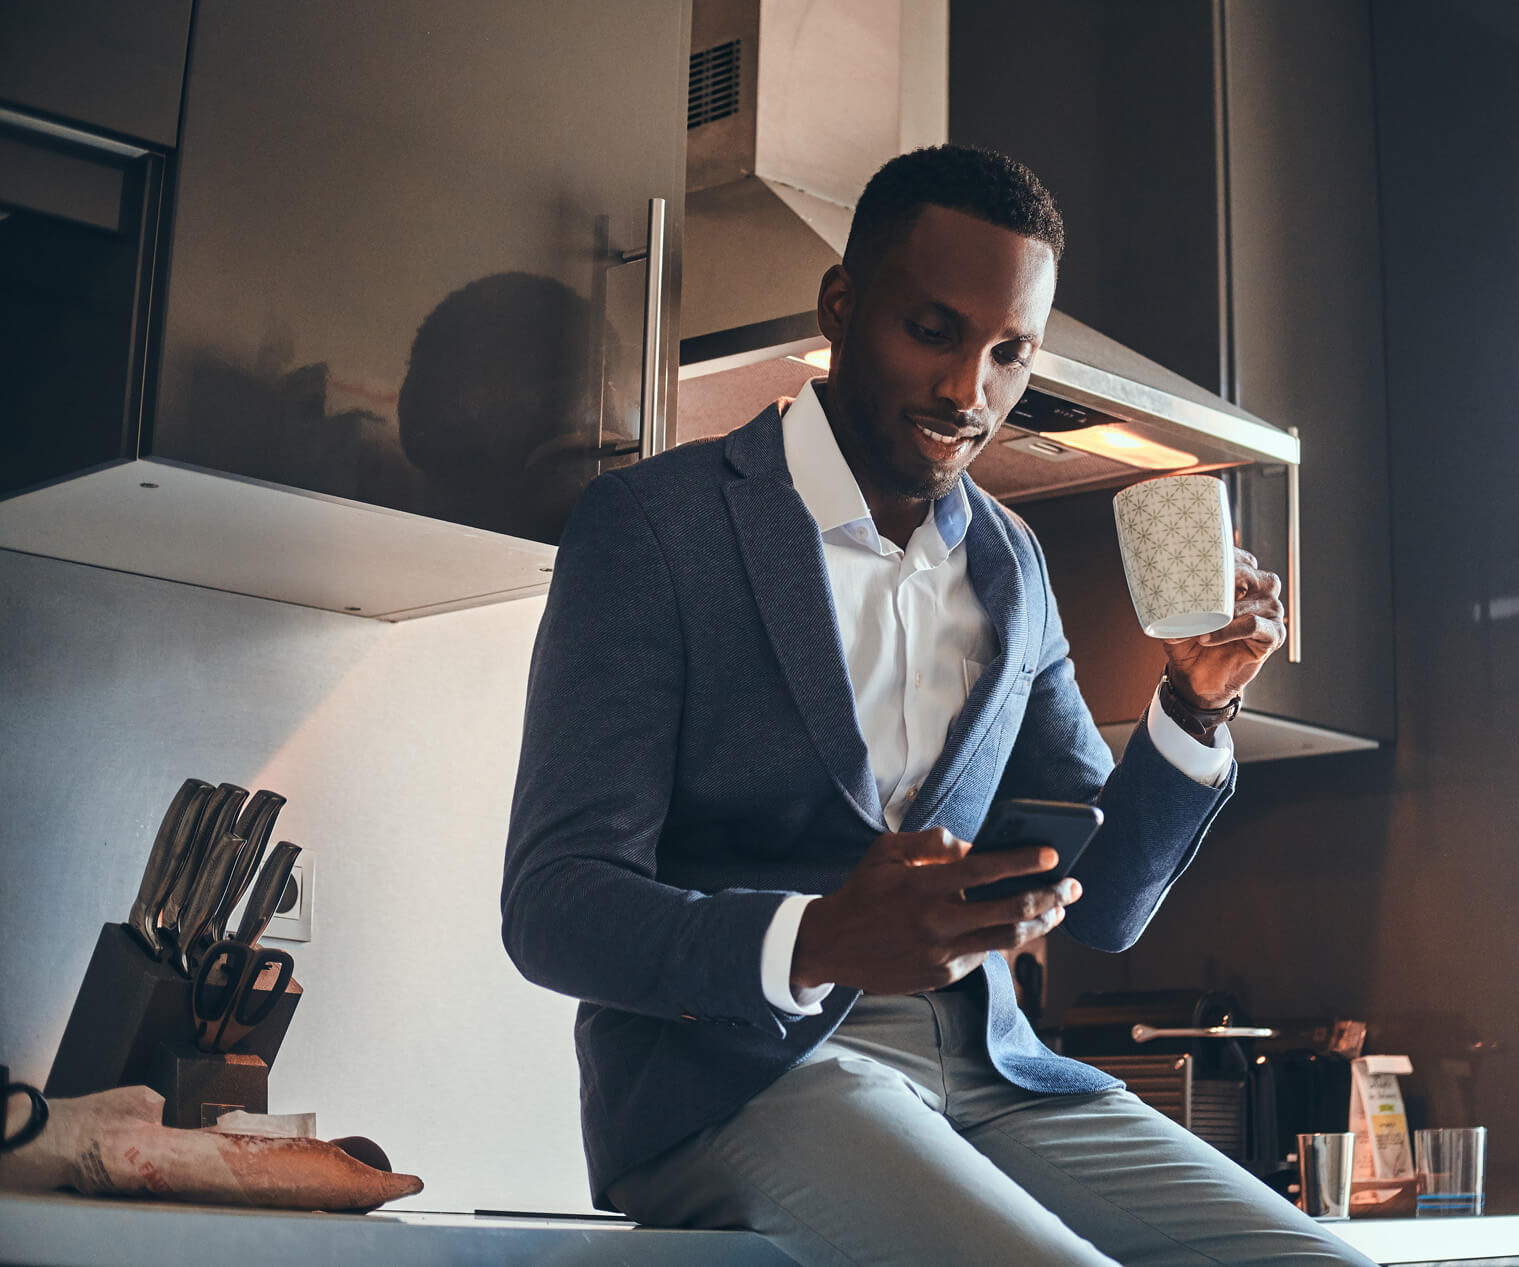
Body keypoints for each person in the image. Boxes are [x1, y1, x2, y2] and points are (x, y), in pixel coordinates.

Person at [502, 145, 1372, 1267]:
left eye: (1009, 353)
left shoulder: (1011, 564)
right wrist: (814, 935)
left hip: (994, 1074)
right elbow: (555, 903)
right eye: (934, 331)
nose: (971, 392)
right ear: (842, 306)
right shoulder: (656, 528)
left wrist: (1193, 709)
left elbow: (1093, 901)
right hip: (739, 1077)